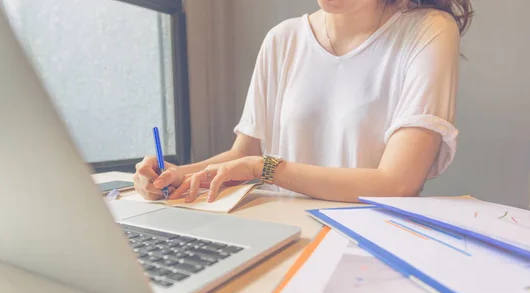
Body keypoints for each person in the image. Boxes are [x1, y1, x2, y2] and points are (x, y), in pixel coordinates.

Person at [134, 0, 473, 203]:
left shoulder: (429, 30)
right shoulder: (283, 39)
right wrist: (176, 176)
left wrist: (265, 169)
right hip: (284, 241)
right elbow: (244, 154)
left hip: (373, 247)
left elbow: (397, 182)